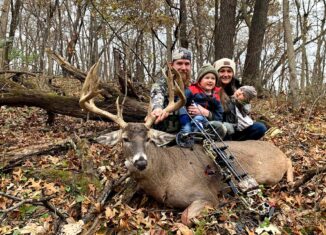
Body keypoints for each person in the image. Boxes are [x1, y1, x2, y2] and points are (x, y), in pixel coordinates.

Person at [213, 58, 267, 140]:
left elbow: (245, 113)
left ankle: (238, 142)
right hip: (220, 127)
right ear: (216, 73)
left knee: (260, 127)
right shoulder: (211, 88)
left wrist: (243, 103)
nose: (226, 74)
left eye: (229, 71)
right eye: (222, 71)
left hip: (236, 128)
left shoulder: (239, 89)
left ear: (233, 73)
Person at [149, 47, 192, 133]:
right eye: (179, 63)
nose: (183, 68)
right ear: (171, 65)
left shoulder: (192, 85)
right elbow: (157, 97)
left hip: (187, 134)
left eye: (187, 64)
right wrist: (158, 109)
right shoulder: (160, 85)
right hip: (163, 135)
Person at [178, 64, 226, 138]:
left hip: (205, 121)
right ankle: (185, 137)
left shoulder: (216, 95)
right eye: (207, 78)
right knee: (187, 129)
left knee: (200, 119)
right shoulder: (192, 90)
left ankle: (198, 135)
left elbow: (219, 114)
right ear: (200, 80)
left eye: (213, 78)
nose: (210, 80)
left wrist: (209, 114)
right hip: (188, 118)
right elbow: (181, 102)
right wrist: (184, 118)